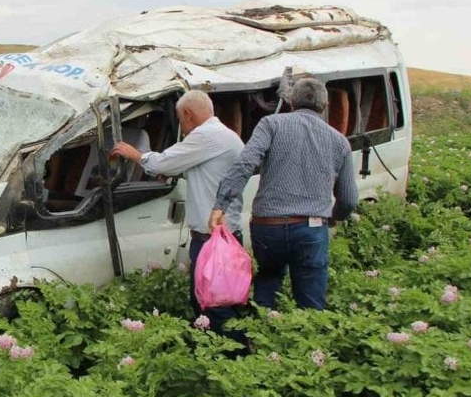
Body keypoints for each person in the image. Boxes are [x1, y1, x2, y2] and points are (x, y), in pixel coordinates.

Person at [208, 77, 358, 311]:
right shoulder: (339, 142)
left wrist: (221, 204)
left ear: (291, 102)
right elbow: (348, 199)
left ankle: (262, 327)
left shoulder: (270, 124)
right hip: (311, 228)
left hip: (268, 226)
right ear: (325, 106)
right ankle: (307, 332)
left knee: (268, 279)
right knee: (311, 301)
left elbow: (245, 164)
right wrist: (334, 217)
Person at [111, 90, 247, 341]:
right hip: (226, 234)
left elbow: (163, 162)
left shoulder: (205, 136)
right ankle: (220, 351)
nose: (182, 128)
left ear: (187, 114)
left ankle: (234, 352)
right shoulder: (226, 136)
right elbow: (206, 174)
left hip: (212, 240)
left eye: (180, 120)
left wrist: (135, 155)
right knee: (216, 301)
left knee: (214, 306)